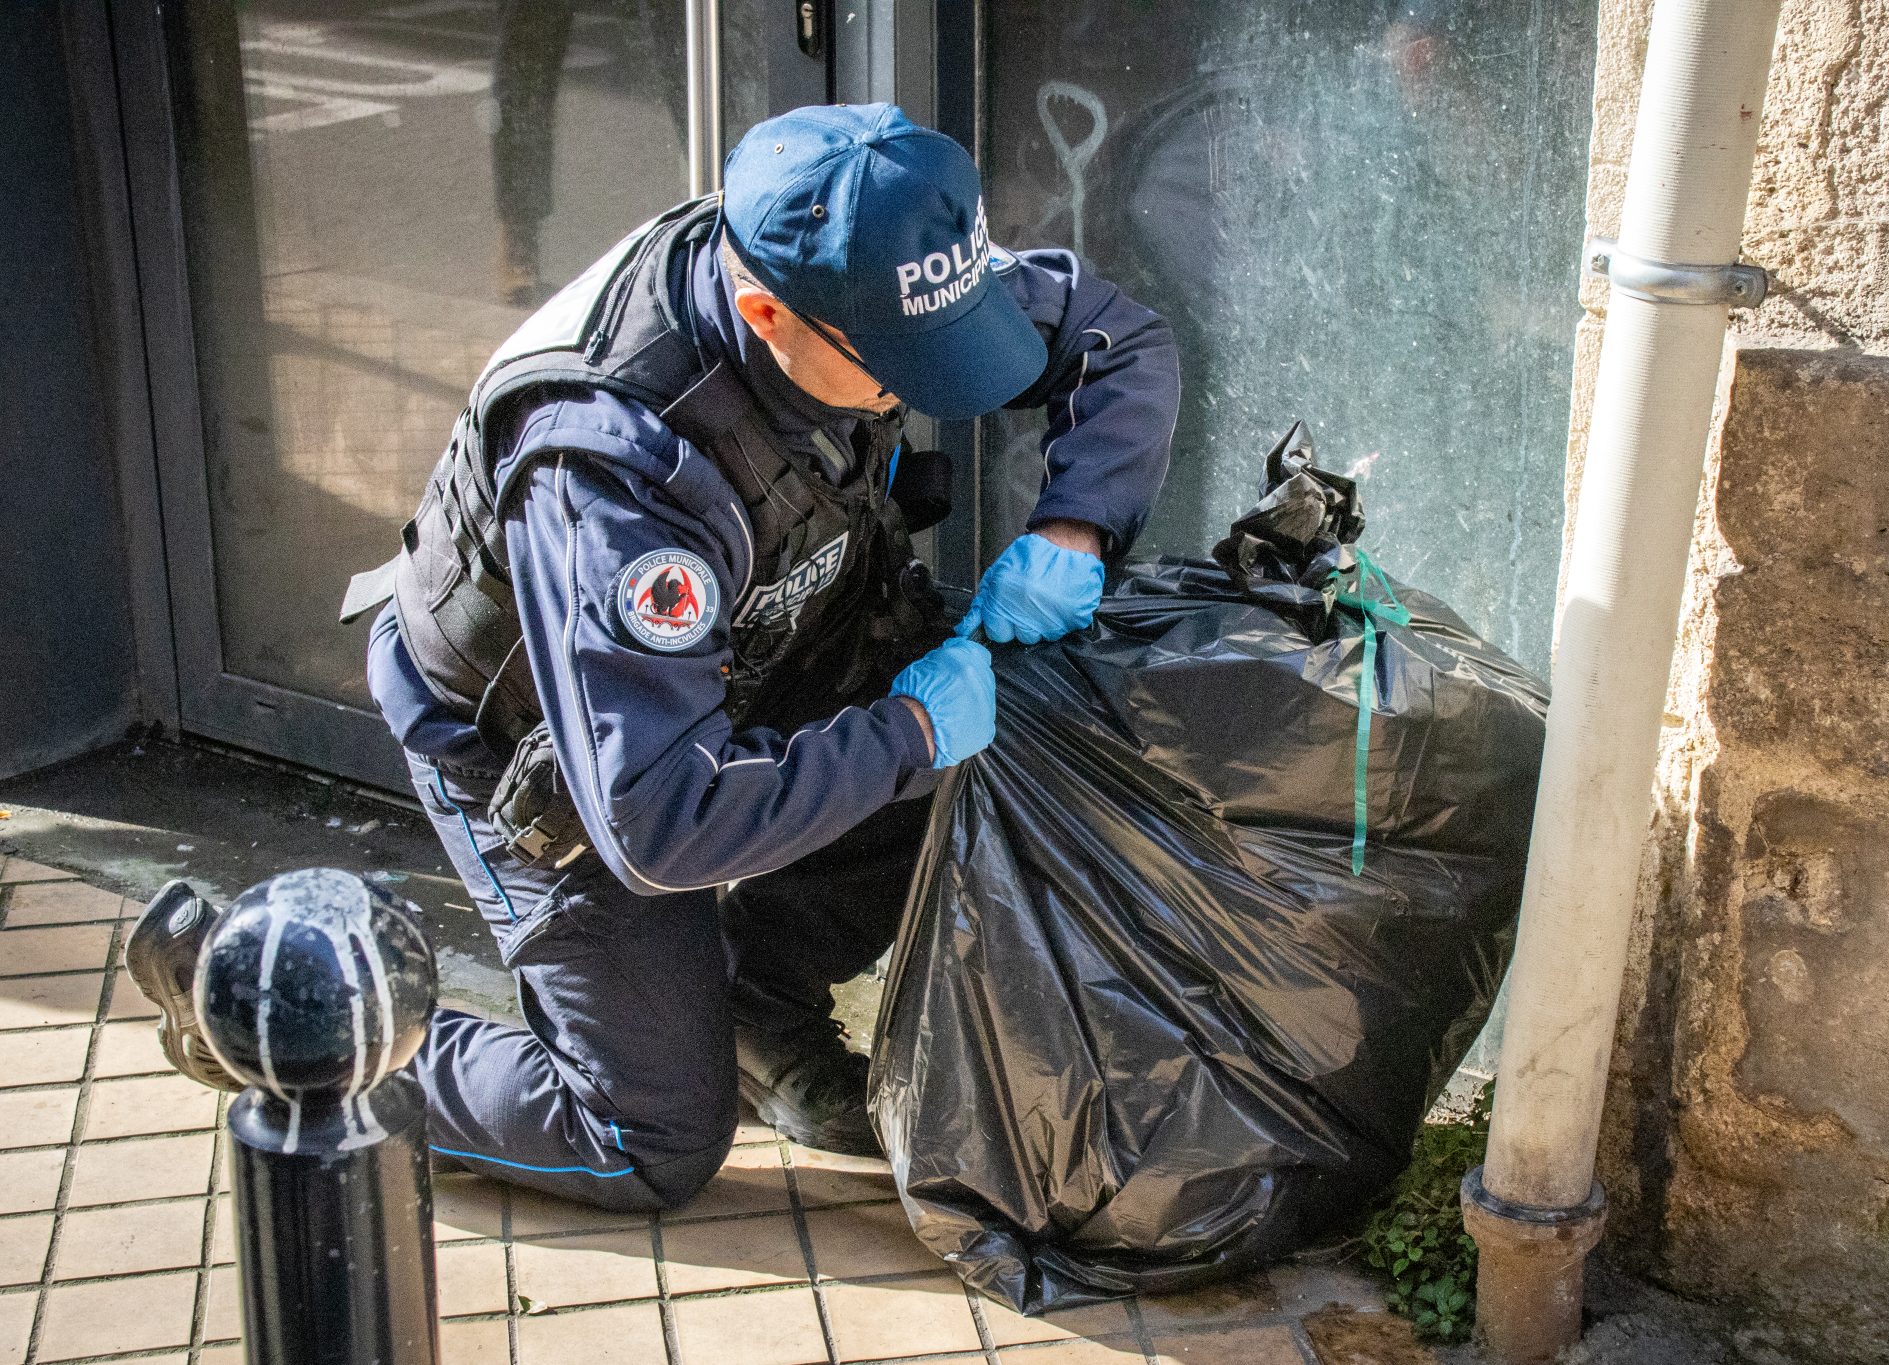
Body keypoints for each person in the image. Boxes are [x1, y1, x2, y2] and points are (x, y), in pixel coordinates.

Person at [128, 103, 1179, 1212]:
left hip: (769, 644)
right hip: (550, 748)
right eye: (899, 368)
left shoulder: (870, 262)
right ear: (765, 312)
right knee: (649, 1139)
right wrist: (907, 735)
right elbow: (660, 825)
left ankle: (757, 1012)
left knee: (1009, 738)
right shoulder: (616, 466)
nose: (921, 386)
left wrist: (1076, 526)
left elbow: (1124, 343)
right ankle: (269, 1012)